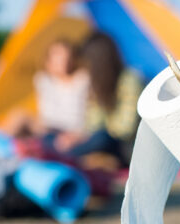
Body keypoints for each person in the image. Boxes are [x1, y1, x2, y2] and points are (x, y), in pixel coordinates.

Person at [43, 32, 142, 167]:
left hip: (126, 148)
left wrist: (98, 130)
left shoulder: (130, 80)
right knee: (50, 138)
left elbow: (125, 129)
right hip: (103, 142)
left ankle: (56, 157)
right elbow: (92, 123)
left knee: (101, 137)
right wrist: (77, 137)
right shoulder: (98, 85)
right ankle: (57, 153)